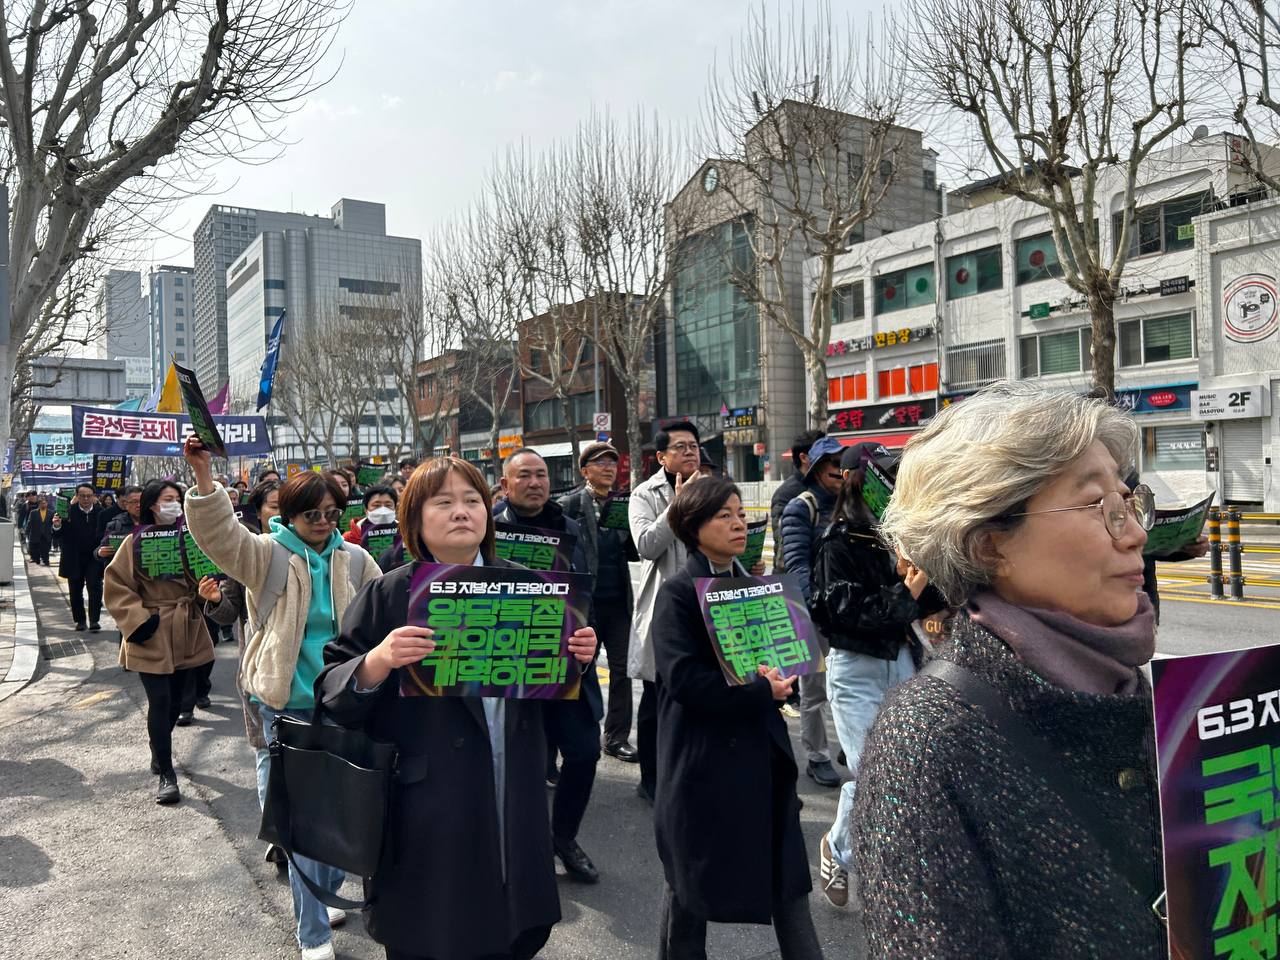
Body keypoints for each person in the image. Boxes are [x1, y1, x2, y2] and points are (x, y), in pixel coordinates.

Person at [853, 380, 1165, 957]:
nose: (1138, 535)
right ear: (989, 546)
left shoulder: (1142, 693)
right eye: (1101, 507)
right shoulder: (930, 738)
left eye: (1129, 503)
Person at [316, 456, 598, 960]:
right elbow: (333, 693)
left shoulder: (530, 588)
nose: (461, 512)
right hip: (424, 807)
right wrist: (378, 661)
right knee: (432, 931)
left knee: (511, 930)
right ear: (416, 518)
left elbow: (562, 709)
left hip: (511, 792)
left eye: (472, 501)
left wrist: (577, 658)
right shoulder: (388, 593)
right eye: (442, 502)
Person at [182, 438, 381, 960]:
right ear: (288, 514)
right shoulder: (265, 554)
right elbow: (219, 536)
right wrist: (204, 478)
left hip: (343, 702)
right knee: (303, 820)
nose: (322, 522)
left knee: (339, 809)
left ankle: (323, 885)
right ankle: (312, 932)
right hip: (284, 701)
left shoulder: (356, 559)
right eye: (311, 513)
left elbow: (386, 613)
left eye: (331, 513)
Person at [651, 476, 823, 960]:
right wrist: (757, 691)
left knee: (789, 888)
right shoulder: (679, 594)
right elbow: (683, 682)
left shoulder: (759, 588)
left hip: (763, 761)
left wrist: (781, 679)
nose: (737, 522)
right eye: (722, 515)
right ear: (692, 525)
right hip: (703, 766)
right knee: (688, 890)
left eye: (738, 512)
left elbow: (784, 660)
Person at [807, 442, 945, 908]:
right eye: (885, 476)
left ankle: (880, 859)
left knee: (907, 769)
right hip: (855, 667)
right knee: (872, 773)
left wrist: (930, 587)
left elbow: (924, 603)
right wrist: (909, 588)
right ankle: (842, 850)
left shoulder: (900, 536)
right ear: (859, 482)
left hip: (902, 661)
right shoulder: (837, 541)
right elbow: (844, 613)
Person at [494, 448, 601, 883]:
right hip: (513, 665)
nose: (535, 482)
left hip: (566, 664)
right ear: (505, 485)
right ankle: (526, 846)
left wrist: (587, 638)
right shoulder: (491, 530)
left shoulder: (570, 525)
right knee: (527, 763)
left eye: (541, 474)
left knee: (585, 752)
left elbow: (584, 587)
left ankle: (564, 837)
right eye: (524, 476)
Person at [103, 480, 215, 805]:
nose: (174, 504)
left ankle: (158, 747)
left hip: (185, 626)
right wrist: (138, 621)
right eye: (168, 499)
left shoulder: (192, 539)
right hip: (150, 630)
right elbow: (117, 584)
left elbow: (208, 576)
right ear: (153, 504)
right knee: (161, 700)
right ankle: (167, 772)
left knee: (178, 699)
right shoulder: (133, 542)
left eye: (177, 499)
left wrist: (209, 590)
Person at [629, 421, 702, 806]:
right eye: (681, 447)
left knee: (701, 689)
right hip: (667, 606)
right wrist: (678, 504)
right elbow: (646, 546)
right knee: (659, 693)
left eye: (694, 446)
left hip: (709, 603)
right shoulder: (645, 493)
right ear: (661, 457)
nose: (690, 452)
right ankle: (651, 778)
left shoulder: (713, 488)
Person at [560, 441, 639, 763]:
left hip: (618, 601)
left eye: (612, 462)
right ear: (585, 470)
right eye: (600, 463)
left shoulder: (625, 504)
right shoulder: (570, 505)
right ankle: (571, 737)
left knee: (622, 670)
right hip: (583, 603)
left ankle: (616, 736)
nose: (608, 468)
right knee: (577, 670)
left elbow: (635, 551)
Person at [779, 435, 844, 788]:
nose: (839, 470)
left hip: (848, 612)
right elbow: (796, 565)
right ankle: (817, 756)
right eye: (832, 464)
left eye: (842, 464)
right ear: (817, 468)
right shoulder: (800, 507)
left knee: (849, 683)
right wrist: (818, 607)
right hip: (814, 612)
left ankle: (851, 743)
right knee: (814, 689)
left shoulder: (851, 505)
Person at [770, 429, 826, 576]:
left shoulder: (828, 489)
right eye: (824, 454)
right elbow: (784, 543)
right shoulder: (786, 493)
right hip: (793, 580)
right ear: (804, 457)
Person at [53, 483, 105, 631]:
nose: (86, 499)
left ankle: (94, 620)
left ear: (94, 496)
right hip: (73, 557)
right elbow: (57, 535)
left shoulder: (101, 513)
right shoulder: (67, 512)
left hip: (94, 558)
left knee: (95, 588)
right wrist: (57, 525)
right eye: (82, 496)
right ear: (77, 496)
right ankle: (80, 620)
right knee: (75, 590)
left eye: (89, 496)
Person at [24, 492, 55, 566]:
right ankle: (37, 559)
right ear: (39, 504)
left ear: (47, 504)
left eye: (44, 503)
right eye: (41, 503)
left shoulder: (51, 513)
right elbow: (29, 523)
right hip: (36, 534)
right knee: (36, 551)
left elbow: (53, 524)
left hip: (46, 534)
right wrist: (26, 532)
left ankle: (46, 561)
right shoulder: (33, 513)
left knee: (46, 550)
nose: (43, 505)